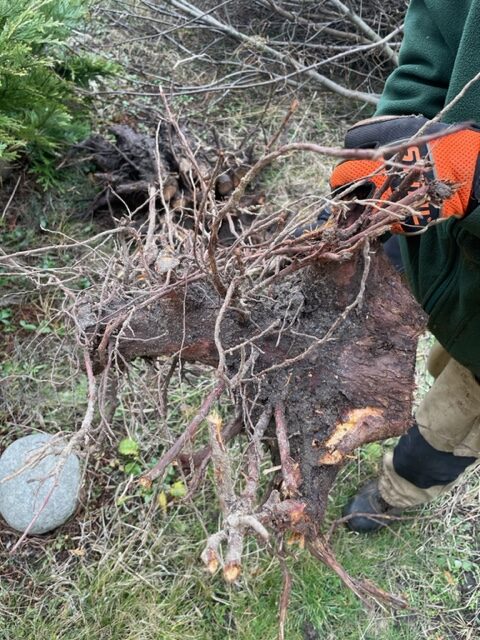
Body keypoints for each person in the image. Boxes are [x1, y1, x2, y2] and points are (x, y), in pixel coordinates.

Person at [329, 0, 480, 532]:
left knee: (456, 411)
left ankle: (396, 494)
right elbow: (432, 49)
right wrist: (397, 147)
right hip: (433, 233)